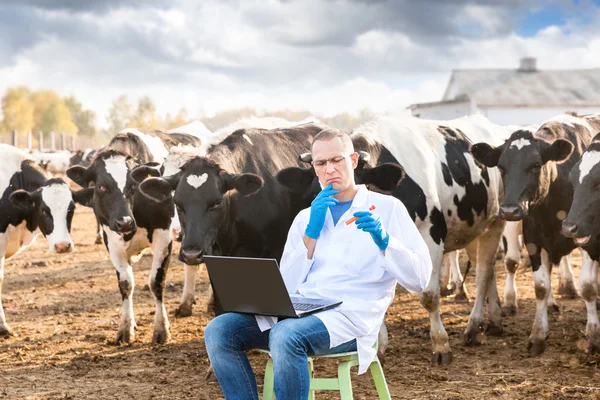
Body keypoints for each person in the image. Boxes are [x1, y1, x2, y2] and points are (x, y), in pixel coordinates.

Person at [204, 128, 432, 400]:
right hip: (303, 310)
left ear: (354, 160)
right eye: (321, 163)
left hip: (351, 316)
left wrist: (385, 241)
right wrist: (310, 235)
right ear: (313, 167)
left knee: (286, 336)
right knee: (219, 330)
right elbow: (287, 285)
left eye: (337, 160)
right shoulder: (305, 218)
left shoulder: (387, 209)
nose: (330, 170)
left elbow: (420, 279)